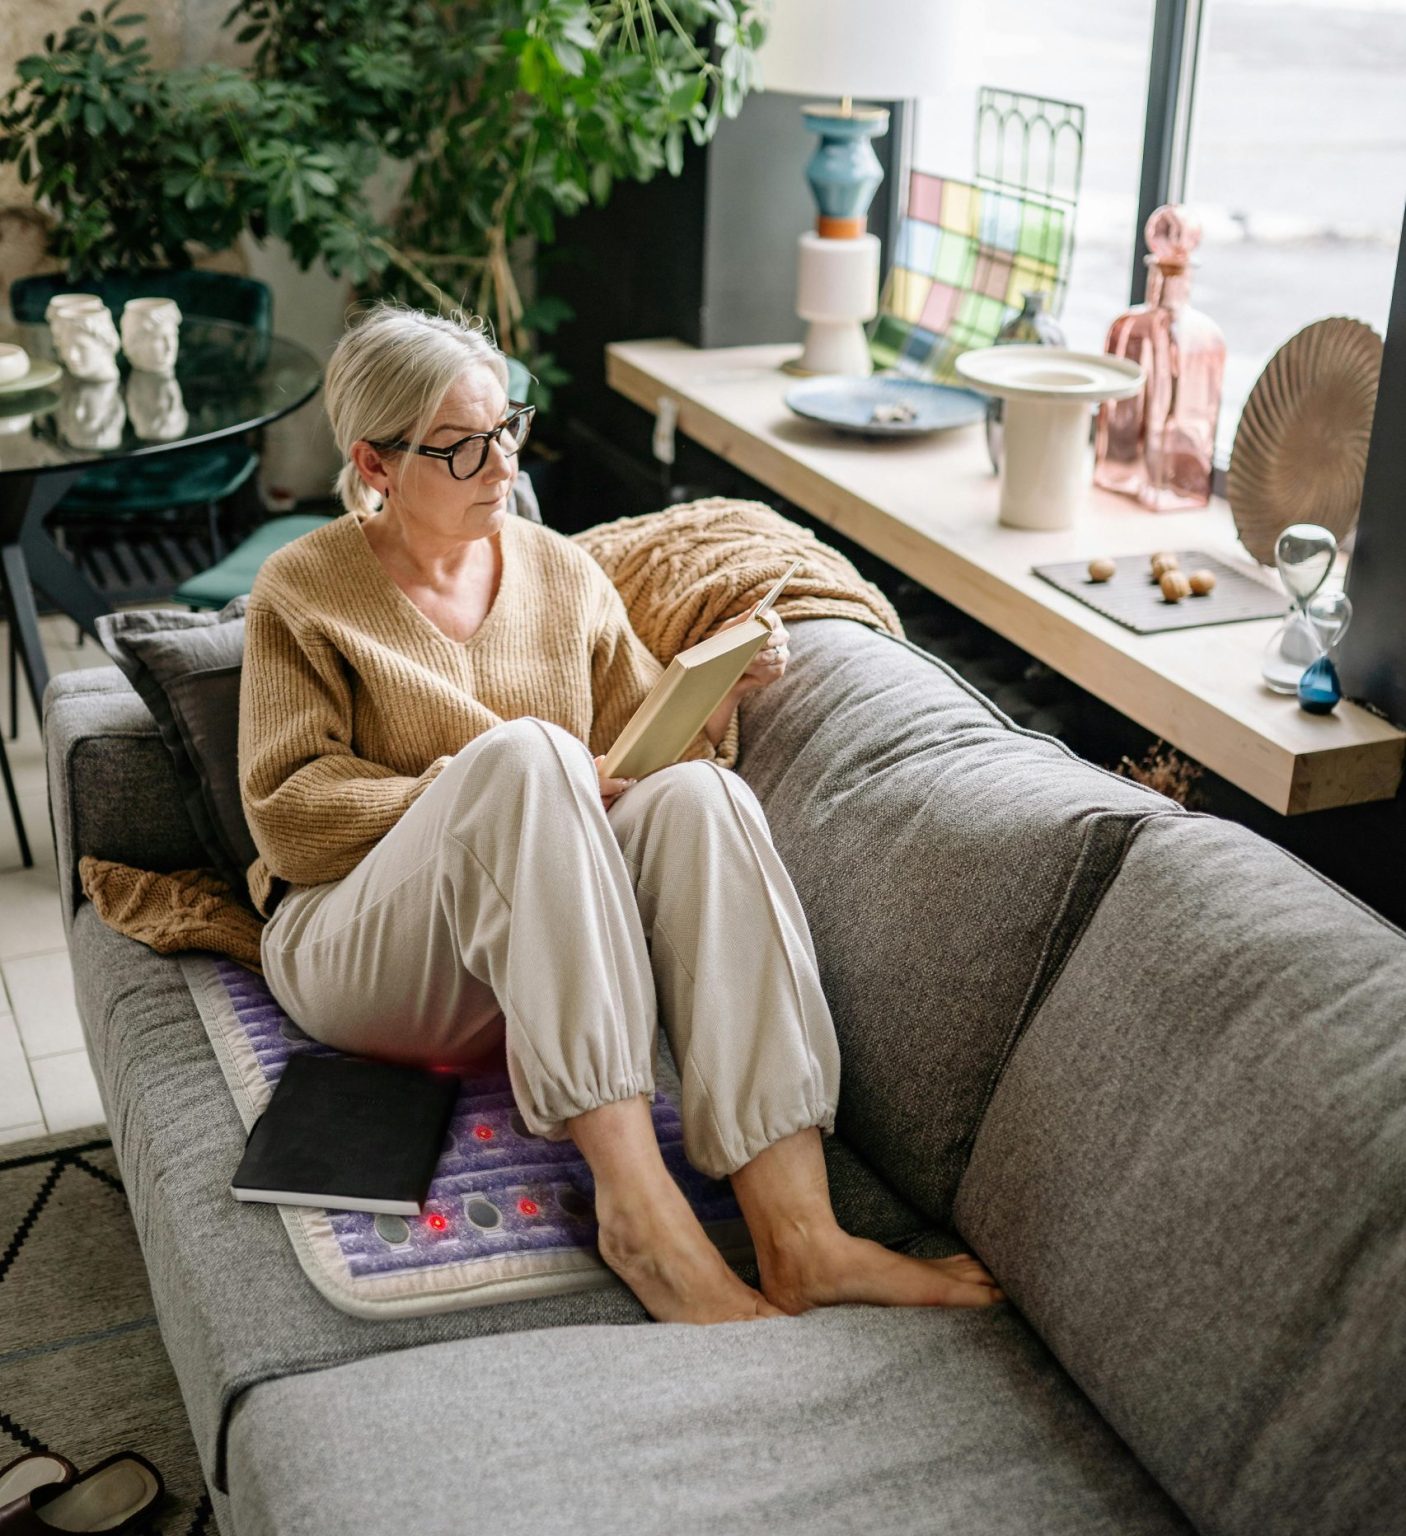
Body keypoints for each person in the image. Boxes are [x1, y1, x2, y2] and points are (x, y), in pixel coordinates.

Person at [239, 301, 1002, 1325]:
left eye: (504, 429)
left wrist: (717, 694)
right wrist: (475, 787)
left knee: (702, 797)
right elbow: (289, 816)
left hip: (531, 949)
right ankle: (639, 1215)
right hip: (359, 950)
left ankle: (800, 1234)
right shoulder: (301, 588)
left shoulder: (558, 570)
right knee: (526, 755)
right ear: (374, 465)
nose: (502, 468)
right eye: (460, 451)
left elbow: (634, 761)